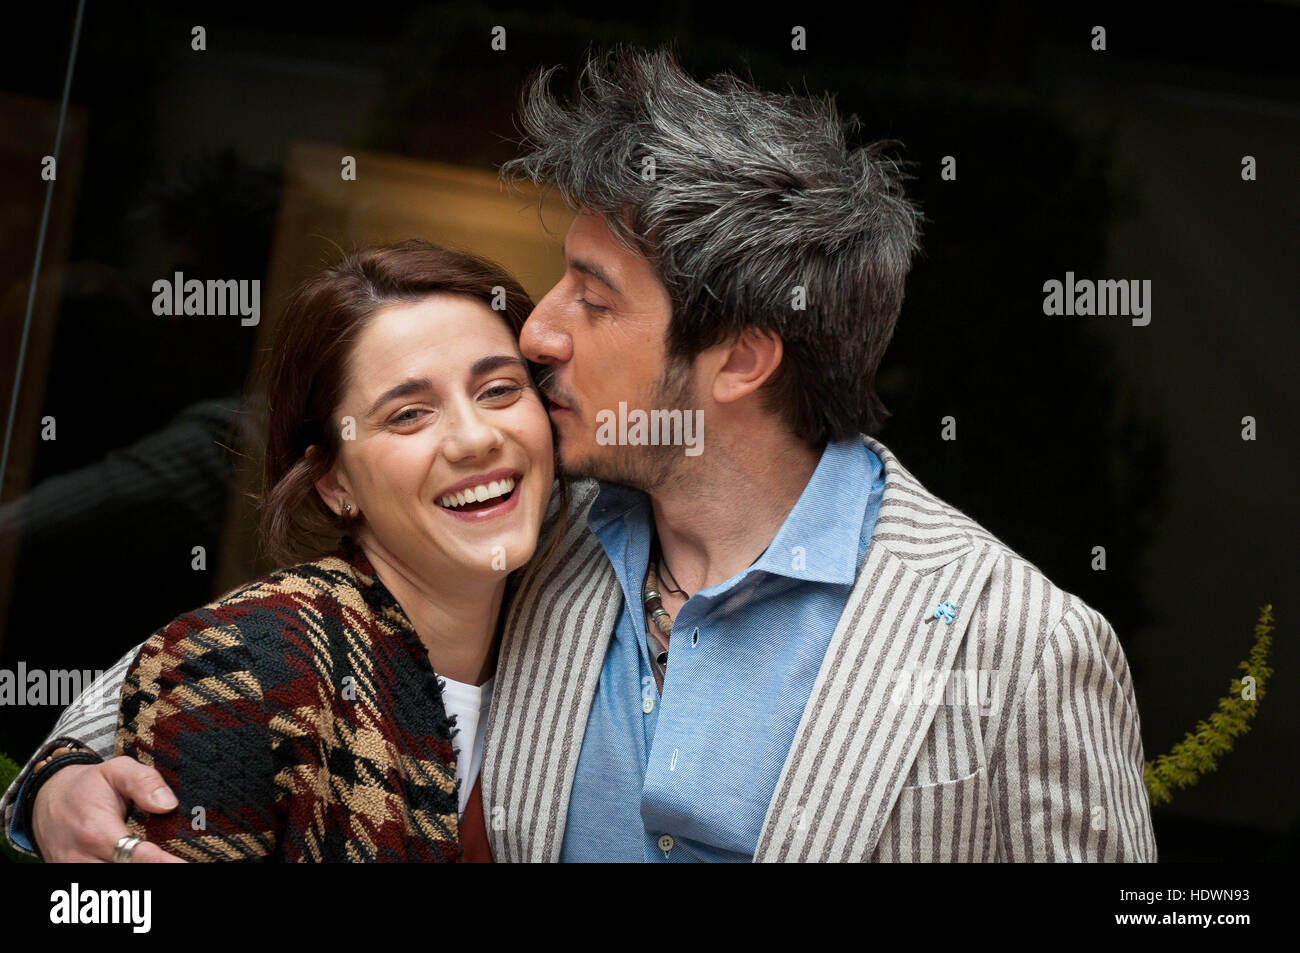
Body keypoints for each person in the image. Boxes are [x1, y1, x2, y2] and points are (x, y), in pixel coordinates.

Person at [5, 47, 1156, 863]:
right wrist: (59, 787)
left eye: (592, 298)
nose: (539, 328)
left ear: (741, 358)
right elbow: (217, 670)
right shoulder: (532, 529)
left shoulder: (1022, 643)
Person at [3, 240, 558, 861]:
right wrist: (52, 783)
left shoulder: (597, 586)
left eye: (500, 390)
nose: (475, 439)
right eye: (407, 415)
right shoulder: (251, 670)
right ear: (334, 481)